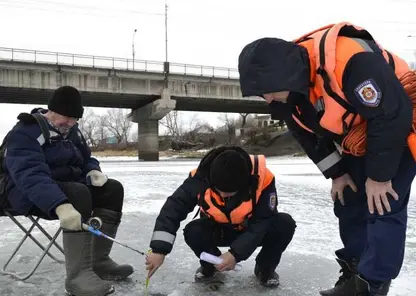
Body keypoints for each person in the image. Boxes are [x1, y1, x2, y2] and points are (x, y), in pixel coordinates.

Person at [237, 22, 416, 296]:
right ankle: (355, 270)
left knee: (382, 203)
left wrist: (380, 176)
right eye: (262, 93)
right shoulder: (286, 96)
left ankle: (372, 284)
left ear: (286, 74)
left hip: (400, 123)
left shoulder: (351, 61)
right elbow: (309, 136)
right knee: (348, 199)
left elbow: (391, 114)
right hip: (361, 134)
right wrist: (337, 173)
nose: (268, 99)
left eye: (269, 90)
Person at [1, 86, 134, 296]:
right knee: (78, 193)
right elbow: (29, 174)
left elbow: (86, 158)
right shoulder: (25, 131)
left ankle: (99, 261)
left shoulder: (71, 131)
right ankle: (78, 277)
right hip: (22, 193)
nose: (71, 124)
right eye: (67, 118)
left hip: (65, 188)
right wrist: (59, 204)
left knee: (113, 189)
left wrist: (93, 171)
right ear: (51, 111)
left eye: (75, 119)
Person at [145, 145, 296, 288]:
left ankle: (265, 269)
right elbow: (173, 209)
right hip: (220, 230)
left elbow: (262, 221)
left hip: (251, 229)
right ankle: (211, 266)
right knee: (193, 230)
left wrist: (235, 254)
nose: (223, 195)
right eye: (219, 190)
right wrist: (159, 250)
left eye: (230, 192)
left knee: (284, 223)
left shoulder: (263, 178)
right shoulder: (199, 178)